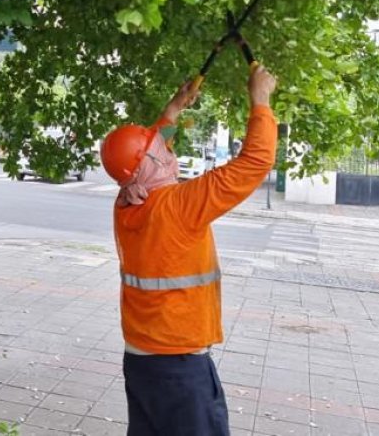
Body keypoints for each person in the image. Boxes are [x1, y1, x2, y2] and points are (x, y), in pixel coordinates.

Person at [101, 65, 277, 436]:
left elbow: (143, 157)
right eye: (160, 149)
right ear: (148, 164)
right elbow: (256, 162)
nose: (169, 151)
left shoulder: (127, 202)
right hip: (178, 365)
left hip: (142, 359)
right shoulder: (179, 205)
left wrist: (174, 108)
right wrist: (260, 99)